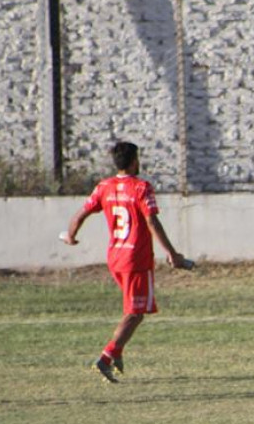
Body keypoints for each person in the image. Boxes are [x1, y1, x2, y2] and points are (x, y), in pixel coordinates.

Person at [61, 141, 190, 382]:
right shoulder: (141, 188)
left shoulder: (104, 187)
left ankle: (117, 353)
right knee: (135, 312)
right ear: (134, 161)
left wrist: (70, 236)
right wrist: (172, 253)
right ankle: (106, 356)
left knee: (136, 311)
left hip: (115, 257)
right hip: (135, 259)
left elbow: (81, 214)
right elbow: (152, 221)